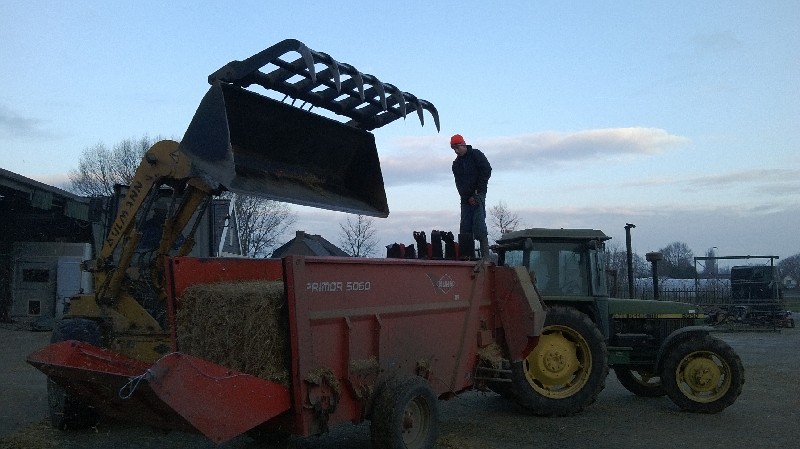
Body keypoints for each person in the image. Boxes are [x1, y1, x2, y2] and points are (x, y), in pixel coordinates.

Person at [450, 134, 492, 260]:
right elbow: (459, 184)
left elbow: (486, 171)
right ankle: (467, 257)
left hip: (478, 194)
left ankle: (485, 257)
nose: (456, 151)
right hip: (465, 199)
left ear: (463, 145)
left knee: (479, 226)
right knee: (465, 228)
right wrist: (467, 197)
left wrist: (477, 192)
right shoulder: (456, 164)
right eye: (454, 149)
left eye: (457, 148)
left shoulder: (476, 155)